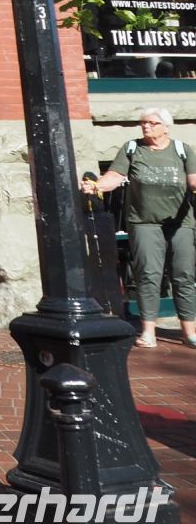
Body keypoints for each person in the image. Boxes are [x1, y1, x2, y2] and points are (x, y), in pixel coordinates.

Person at [82, 107, 196, 348]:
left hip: (180, 223)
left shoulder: (182, 150)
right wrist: (97, 186)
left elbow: (193, 180)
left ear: (166, 127)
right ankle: (148, 332)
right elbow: (115, 176)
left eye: (153, 123)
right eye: (143, 123)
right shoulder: (132, 148)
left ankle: (189, 332)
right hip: (144, 222)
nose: (146, 126)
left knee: (184, 275)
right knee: (148, 274)